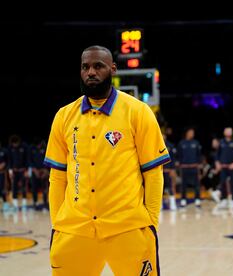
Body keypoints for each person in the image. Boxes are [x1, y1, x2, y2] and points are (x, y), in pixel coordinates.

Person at [44, 45, 170, 276]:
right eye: (85, 67)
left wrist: (150, 222)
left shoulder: (138, 112)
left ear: (112, 69)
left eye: (98, 66)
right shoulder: (63, 116)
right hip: (74, 231)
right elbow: (57, 176)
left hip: (129, 229)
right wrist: (58, 223)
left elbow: (153, 173)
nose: (91, 72)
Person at [176, 127, 202, 207]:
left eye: (193, 133)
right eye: (191, 132)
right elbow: (178, 155)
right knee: (183, 184)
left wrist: (199, 164)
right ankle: (183, 199)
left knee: (197, 184)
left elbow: (199, 155)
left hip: (194, 166)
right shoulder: (181, 143)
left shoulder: (196, 143)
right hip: (184, 167)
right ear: (187, 133)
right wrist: (179, 163)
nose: (192, 134)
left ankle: (197, 199)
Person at [215, 127, 233, 209]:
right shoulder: (221, 142)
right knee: (222, 183)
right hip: (223, 166)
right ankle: (223, 199)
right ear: (224, 132)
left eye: (230, 131)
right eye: (227, 131)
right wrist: (217, 163)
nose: (229, 132)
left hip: (232, 166)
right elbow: (217, 154)